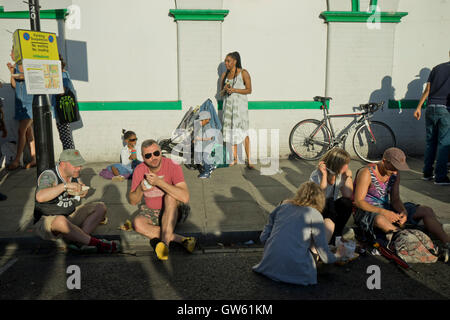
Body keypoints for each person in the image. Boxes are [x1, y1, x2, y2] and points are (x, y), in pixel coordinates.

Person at [353, 147, 449, 261]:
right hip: (367, 212)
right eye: (393, 168)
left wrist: (403, 211)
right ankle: (410, 240)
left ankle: (447, 243)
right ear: (384, 161)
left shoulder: (395, 173)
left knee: (426, 210)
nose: (395, 172)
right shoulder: (366, 173)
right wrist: (384, 212)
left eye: (397, 169)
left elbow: (395, 200)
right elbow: (358, 201)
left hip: (386, 208)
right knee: (380, 220)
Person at [253, 182, 339, 285]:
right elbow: (325, 257)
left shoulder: (282, 206)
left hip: (268, 266)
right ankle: (314, 264)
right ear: (320, 200)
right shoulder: (315, 214)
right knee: (329, 223)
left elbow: (263, 238)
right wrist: (339, 255)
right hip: (298, 272)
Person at [34, 149, 120, 253]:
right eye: (75, 166)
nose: (79, 168)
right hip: (48, 221)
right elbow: (40, 197)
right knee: (61, 221)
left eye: (80, 165)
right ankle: (98, 244)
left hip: (69, 215)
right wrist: (64, 186)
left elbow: (78, 187)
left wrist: (81, 191)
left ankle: (78, 241)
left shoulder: (73, 175)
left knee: (100, 207)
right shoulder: (49, 175)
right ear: (63, 164)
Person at [129, 139, 196, 260]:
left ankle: (165, 245)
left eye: (156, 153)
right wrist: (140, 189)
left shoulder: (172, 165)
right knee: (137, 223)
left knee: (170, 197)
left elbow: (185, 197)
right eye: (148, 155)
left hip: (175, 209)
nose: (153, 157)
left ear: (161, 152)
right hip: (151, 211)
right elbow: (133, 201)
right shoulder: (139, 170)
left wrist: (159, 182)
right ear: (143, 158)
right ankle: (181, 240)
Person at [414, 53, 450, 185]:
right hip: (445, 110)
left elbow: (427, 89)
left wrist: (418, 107)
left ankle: (427, 173)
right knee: (443, 144)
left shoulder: (436, 68)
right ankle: (440, 177)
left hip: (430, 108)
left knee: (430, 142)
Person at [309, 148, 354, 245]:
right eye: (345, 164)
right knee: (328, 203)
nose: (347, 167)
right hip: (317, 207)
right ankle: (330, 237)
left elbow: (348, 195)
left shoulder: (339, 175)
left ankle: (337, 234)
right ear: (336, 164)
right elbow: (320, 195)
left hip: (330, 208)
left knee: (346, 203)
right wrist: (324, 175)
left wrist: (348, 177)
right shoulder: (317, 174)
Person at [220, 51, 253, 168]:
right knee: (230, 132)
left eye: (228, 61)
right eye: (225, 61)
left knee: (243, 132)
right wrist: (225, 90)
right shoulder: (224, 75)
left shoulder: (244, 73)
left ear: (235, 61)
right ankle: (234, 158)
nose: (226, 63)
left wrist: (234, 90)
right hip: (228, 108)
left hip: (240, 109)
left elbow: (249, 90)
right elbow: (221, 93)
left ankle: (249, 159)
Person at [6, 47, 36, 169]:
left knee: (21, 131)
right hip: (20, 104)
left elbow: (31, 78)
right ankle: (34, 158)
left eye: (12, 52)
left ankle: (17, 159)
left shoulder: (29, 64)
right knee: (28, 132)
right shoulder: (16, 66)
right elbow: (14, 85)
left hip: (29, 102)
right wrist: (12, 72)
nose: (10, 54)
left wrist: (20, 75)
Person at [51, 54, 77, 150]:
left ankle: (70, 159)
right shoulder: (63, 74)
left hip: (63, 111)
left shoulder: (63, 75)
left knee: (65, 137)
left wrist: (54, 82)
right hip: (59, 110)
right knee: (64, 137)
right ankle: (69, 158)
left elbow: (63, 91)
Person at [194, 111, 218, 179]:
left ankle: (207, 173)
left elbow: (208, 138)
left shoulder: (207, 127)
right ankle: (211, 166)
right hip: (205, 144)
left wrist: (198, 139)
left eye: (201, 120)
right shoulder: (203, 125)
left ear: (207, 120)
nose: (200, 122)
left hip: (208, 145)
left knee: (204, 158)